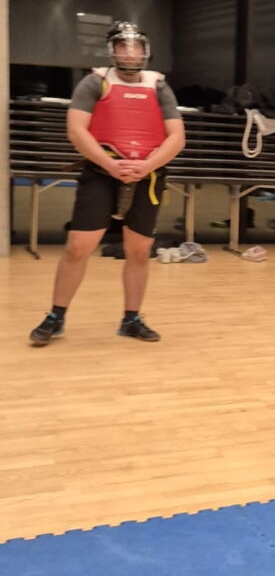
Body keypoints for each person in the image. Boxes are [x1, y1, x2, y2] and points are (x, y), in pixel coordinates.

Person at [29, 22, 185, 347]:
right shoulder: (94, 82)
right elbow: (76, 131)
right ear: (112, 50)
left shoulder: (159, 87)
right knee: (78, 246)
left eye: (135, 46)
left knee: (139, 251)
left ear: (145, 50)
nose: (129, 52)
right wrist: (110, 164)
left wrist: (146, 166)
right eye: (122, 46)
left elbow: (177, 137)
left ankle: (132, 319)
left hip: (148, 176)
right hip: (102, 172)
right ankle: (56, 316)